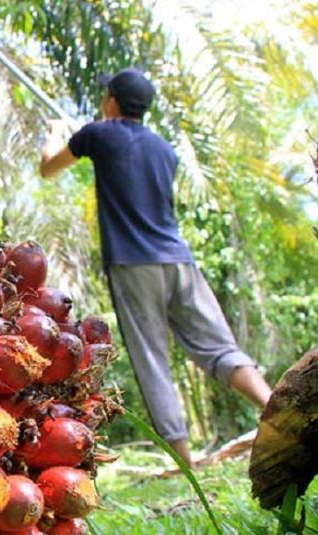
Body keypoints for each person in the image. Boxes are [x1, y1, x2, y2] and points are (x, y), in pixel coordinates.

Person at [38, 68, 272, 467]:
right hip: (179, 261)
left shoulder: (97, 133)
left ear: (111, 100)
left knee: (151, 358)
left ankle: (185, 463)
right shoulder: (165, 150)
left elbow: (48, 167)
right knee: (220, 347)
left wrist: (57, 132)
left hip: (134, 265)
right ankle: (277, 408)